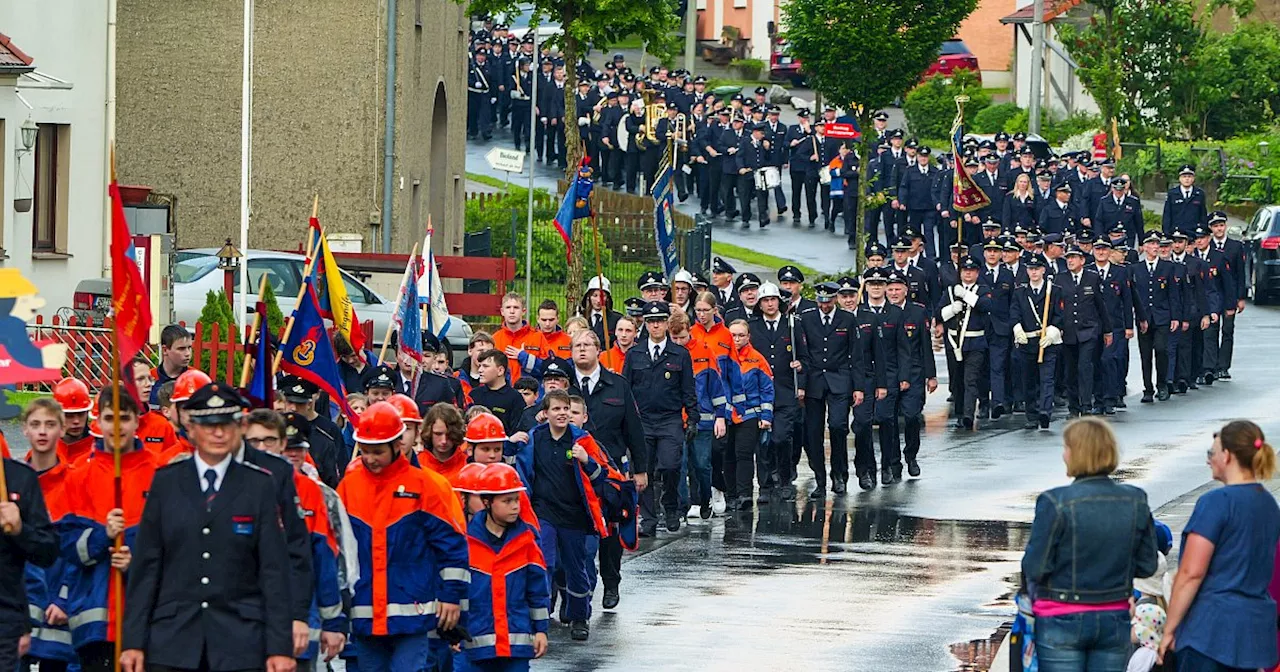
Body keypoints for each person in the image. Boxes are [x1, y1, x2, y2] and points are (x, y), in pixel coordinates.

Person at [120, 383, 294, 672]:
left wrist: (279, 646)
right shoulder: (166, 482)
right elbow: (147, 566)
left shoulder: (259, 485)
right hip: (173, 640)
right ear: (191, 428)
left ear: (239, 427)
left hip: (239, 640)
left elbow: (273, 571)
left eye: (226, 424)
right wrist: (133, 641)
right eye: (208, 424)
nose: (218, 433)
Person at [339, 401, 468, 671]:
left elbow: (452, 547)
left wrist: (451, 598)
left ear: (397, 445)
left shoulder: (423, 486)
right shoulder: (349, 486)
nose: (371, 458)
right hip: (365, 613)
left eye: (378, 452)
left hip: (413, 615)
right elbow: (335, 552)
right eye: (365, 451)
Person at [1021, 417, 1159, 671]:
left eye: (1066, 448)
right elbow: (1148, 564)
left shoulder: (1055, 501)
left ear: (1077, 453)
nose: (1064, 455)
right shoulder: (1135, 500)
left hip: (1061, 613)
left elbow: (1035, 567)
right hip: (1113, 613)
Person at [1160, 420, 1280, 672]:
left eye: (1211, 453)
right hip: (1254, 633)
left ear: (1227, 456)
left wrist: (1169, 628)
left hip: (1211, 630)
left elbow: (1192, 573)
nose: (1208, 460)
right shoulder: (1269, 504)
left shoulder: (1216, 502)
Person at [62, 386, 159, 672]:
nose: (116, 426)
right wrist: (102, 536)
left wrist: (135, 560)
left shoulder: (160, 474)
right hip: (95, 624)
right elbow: (65, 546)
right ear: (98, 421)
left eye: (124, 418)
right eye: (109, 418)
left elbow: (174, 544)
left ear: (137, 421)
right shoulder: (79, 476)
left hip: (146, 619)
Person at [511, 389, 621, 641]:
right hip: (543, 513)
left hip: (574, 515)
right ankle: (537, 615)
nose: (562, 414)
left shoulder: (582, 441)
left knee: (576, 567)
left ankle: (580, 616)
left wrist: (587, 462)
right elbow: (518, 468)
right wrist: (510, 442)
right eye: (557, 409)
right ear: (545, 413)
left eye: (566, 409)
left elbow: (601, 477)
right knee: (544, 563)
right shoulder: (534, 438)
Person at [245, 410, 347, 668]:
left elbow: (323, 558)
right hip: (242, 629)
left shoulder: (311, 492)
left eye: (269, 441)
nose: (262, 448)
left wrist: (333, 623)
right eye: (254, 442)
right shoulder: (231, 486)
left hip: (298, 622)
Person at [567, 328, 646, 610]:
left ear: (599, 350)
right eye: (577, 345)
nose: (582, 349)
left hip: (610, 472)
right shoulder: (564, 389)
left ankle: (611, 582)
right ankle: (580, 586)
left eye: (588, 344)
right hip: (572, 471)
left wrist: (640, 470)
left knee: (610, 530)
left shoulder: (617, 384)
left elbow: (634, 429)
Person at [458, 463, 550, 671]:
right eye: (507, 501)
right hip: (474, 646)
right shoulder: (465, 543)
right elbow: (457, 592)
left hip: (516, 647)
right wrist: (453, 630)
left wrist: (541, 631)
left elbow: (537, 592)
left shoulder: (527, 540)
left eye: (516, 499)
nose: (515, 506)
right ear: (487, 502)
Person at [623, 301, 697, 535]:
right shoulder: (635, 354)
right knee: (643, 470)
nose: (655, 326)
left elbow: (688, 389)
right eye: (651, 322)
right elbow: (626, 391)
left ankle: (671, 505)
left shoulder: (680, 354)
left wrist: (693, 417)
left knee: (671, 464)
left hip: (669, 419)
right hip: (642, 420)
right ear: (645, 324)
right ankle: (648, 518)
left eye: (659, 321)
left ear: (666, 323)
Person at [7, 401, 61, 672]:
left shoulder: (19, 479)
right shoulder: (17, 478)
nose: (42, 432)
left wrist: (19, 529)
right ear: (25, 430)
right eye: (36, 424)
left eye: (50, 424)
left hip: (17, 616)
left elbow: (51, 549)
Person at [797, 282, 858, 497]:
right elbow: (802, 353)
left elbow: (855, 355)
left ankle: (839, 474)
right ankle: (820, 480)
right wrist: (801, 384)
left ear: (836, 299)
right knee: (813, 432)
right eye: (821, 301)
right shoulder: (806, 318)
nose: (824, 305)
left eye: (829, 300)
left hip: (839, 379)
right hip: (814, 380)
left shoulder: (847, 319)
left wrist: (857, 387)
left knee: (838, 426)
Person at [669, 310, 726, 518]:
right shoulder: (668, 353)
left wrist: (720, 415)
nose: (678, 342)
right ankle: (681, 507)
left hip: (702, 419)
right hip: (676, 420)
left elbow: (716, 387)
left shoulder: (704, 351)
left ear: (689, 332)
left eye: (682, 337)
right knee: (679, 465)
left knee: (702, 465)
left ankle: (704, 499)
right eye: (674, 338)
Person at [886, 271, 936, 476]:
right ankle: (893, 460)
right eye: (890, 289)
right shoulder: (881, 312)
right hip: (889, 372)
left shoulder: (917, 312)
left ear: (906, 290)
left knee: (912, 416)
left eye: (898, 289)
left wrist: (931, 375)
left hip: (915, 372)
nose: (894, 293)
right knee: (889, 419)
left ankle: (911, 455)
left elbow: (925, 344)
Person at [722, 319, 774, 508]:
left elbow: (767, 389)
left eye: (741, 335)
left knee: (743, 454)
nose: (736, 339)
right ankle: (731, 494)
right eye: (733, 335)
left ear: (748, 337)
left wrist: (766, 417)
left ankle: (744, 495)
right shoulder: (721, 357)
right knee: (727, 455)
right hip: (727, 415)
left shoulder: (757, 358)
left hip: (749, 414)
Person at [1057, 246, 1114, 416]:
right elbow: (1056, 307)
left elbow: (1100, 305)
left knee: (1085, 367)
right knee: (1070, 370)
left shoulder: (1093, 278)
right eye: (1068, 257)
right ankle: (1073, 406)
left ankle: (1087, 404)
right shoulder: (1060, 279)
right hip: (1067, 331)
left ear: (1082, 260)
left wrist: (1107, 330)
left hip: (1089, 330)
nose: (1070, 261)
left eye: (1074, 257)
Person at [938, 258, 993, 430]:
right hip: (954, 342)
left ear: (977, 273)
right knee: (957, 380)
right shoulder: (950, 290)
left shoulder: (983, 290)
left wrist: (965, 295)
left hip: (975, 341)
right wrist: (951, 309)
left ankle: (968, 414)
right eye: (965, 270)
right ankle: (960, 413)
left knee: (971, 379)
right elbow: (939, 314)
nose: (968, 273)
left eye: (972, 270)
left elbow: (985, 305)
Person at [1013, 256, 1064, 430]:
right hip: (1028, 341)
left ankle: (1045, 412)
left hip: (1047, 342)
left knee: (1047, 379)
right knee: (1028, 380)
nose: (1033, 272)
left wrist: (1053, 331)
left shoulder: (1054, 291)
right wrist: (1017, 329)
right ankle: (1031, 414)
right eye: (1030, 269)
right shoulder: (1020, 292)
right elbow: (1015, 313)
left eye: (1037, 269)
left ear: (1043, 270)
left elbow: (1059, 314)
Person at [1132, 232, 1182, 403]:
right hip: (1144, 318)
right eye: (1151, 244)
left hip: (1162, 316)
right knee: (1145, 354)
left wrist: (1175, 317)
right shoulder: (1136, 269)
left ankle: (1162, 384)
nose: (1154, 247)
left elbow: (1173, 294)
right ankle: (1147, 388)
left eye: (1156, 244)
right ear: (1144, 247)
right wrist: (1138, 317)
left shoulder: (1167, 267)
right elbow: (1134, 296)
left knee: (1161, 349)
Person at [1204, 211, 1247, 381]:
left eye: (1221, 225)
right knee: (1211, 331)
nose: (1219, 229)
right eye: (1215, 226)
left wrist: (1240, 298)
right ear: (1211, 229)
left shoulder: (1235, 246)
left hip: (1229, 295)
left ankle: (1224, 366)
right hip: (1213, 296)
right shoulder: (1208, 246)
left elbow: (1240, 274)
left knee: (1227, 331)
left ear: (1225, 226)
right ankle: (1211, 365)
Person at [279, 376, 343, 488]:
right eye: (290, 402)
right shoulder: (272, 435)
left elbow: (333, 481)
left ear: (309, 404)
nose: (293, 408)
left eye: (299, 403)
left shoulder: (325, 440)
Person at [469, 349, 526, 435]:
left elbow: (517, 431)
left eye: (485, 366)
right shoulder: (474, 394)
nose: (480, 370)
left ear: (500, 370)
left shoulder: (515, 398)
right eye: (480, 366)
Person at [421, 403, 469, 482]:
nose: (444, 441)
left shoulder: (467, 465)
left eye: (449, 434)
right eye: (438, 434)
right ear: (429, 432)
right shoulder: (417, 463)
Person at [53, 377, 95, 464]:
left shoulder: (99, 449)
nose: (76, 421)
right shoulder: (45, 447)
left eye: (81, 414)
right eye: (69, 415)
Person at [149, 324, 192, 409]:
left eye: (189, 347)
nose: (187, 353)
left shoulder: (196, 379)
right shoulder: (148, 379)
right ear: (165, 350)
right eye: (181, 349)